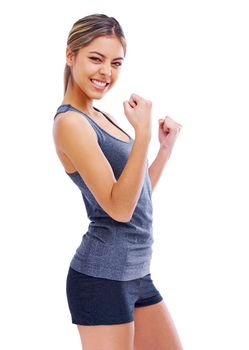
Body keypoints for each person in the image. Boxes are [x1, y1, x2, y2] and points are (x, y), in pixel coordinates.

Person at [52, 13, 183, 350]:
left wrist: (163, 151)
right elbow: (119, 210)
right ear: (71, 56)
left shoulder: (102, 116)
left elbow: (137, 195)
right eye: (96, 59)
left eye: (116, 62)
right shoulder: (71, 124)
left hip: (138, 274)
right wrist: (141, 135)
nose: (106, 72)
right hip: (101, 278)